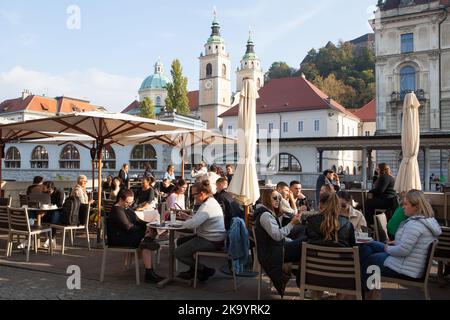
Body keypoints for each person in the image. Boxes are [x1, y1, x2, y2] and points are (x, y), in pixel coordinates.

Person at [359, 190, 442, 299]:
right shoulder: (426, 221)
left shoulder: (415, 224)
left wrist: (387, 248)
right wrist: (395, 243)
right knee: (368, 247)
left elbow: (403, 250)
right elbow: (412, 245)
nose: (403, 207)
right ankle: (371, 292)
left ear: (416, 207)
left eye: (406, 204)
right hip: (413, 264)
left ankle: (364, 291)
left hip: (407, 267)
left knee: (370, 258)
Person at [107, 189, 164, 284]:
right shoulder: (117, 210)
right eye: (127, 202)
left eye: (131, 202)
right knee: (147, 241)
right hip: (119, 239)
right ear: (120, 199)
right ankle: (149, 273)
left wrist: (150, 225)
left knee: (147, 241)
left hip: (127, 235)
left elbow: (137, 220)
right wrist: (145, 230)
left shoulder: (126, 208)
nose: (129, 204)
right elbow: (128, 227)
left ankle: (149, 273)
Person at [253, 189, 303, 296]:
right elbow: (277, 236)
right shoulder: (265, 215)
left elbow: (276, 236)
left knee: (303, 240)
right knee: (305, 243)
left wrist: (291, 240)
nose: (278, 200)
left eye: (279, 198)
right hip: (272, 253)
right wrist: (292, 223)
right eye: (275, 198)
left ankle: (304, 284)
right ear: (267, 199)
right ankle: (305, 285)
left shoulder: (268, 213)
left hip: (275, 249)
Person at [174, 180, 227, 282]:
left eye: (194, 195)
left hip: (212, 240)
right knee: (181, 242)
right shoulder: (210, 201)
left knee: (178, 252)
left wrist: (180, 223)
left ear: (202, 194)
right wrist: (188, 217)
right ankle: (194, 270)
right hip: (213, 237)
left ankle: (204, 270)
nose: (193, 197)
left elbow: (194, 224)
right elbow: (200, 218)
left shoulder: (207, 206)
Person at [41, 181, 65, 247]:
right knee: (36, 215)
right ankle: (30, 237)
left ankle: (51, 238)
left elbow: (60, 205)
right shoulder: (44, 193)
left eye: (44, 187)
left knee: (54, 215)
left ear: (49, 188)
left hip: (59, 212)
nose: (42, 188)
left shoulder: (59, 192)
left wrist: (49, 206)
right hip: (48, 212)